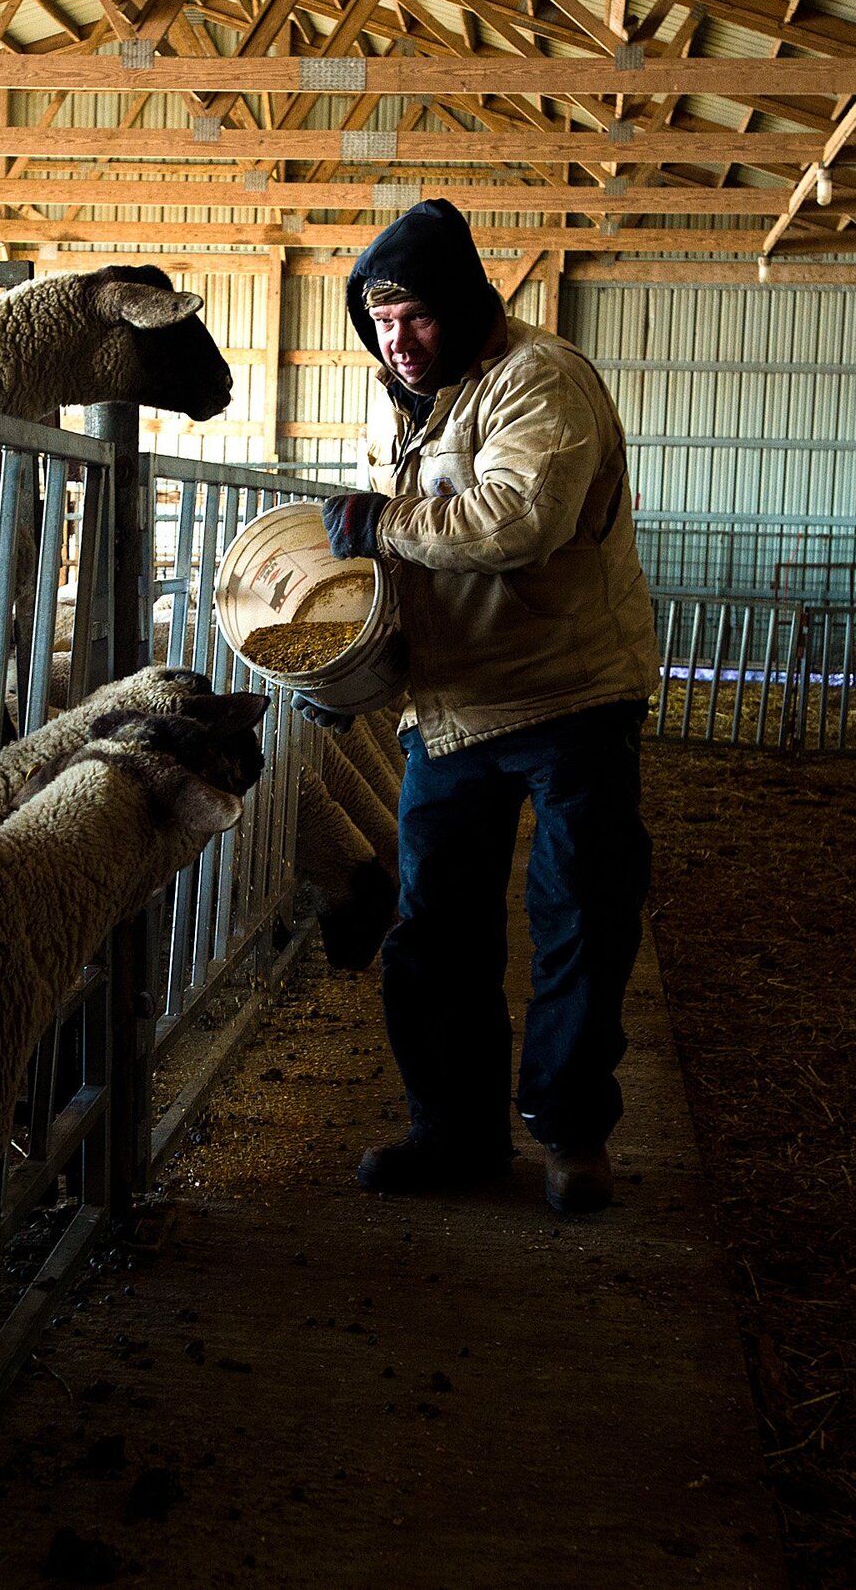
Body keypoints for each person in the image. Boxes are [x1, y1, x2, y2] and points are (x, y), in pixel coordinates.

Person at [300, 198, 661, 1216]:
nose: (397, 341)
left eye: (414, 317)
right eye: (379, 322)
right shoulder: (400, 398)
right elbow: (408, 568)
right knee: (436, 927)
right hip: (453, 705)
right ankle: (452, 1129)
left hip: (570, 690)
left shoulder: (539, 378)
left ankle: (570, 1131)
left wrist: (383, 517)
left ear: (458, 305)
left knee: (578, 911)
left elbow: (518, 518)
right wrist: (356, 670)